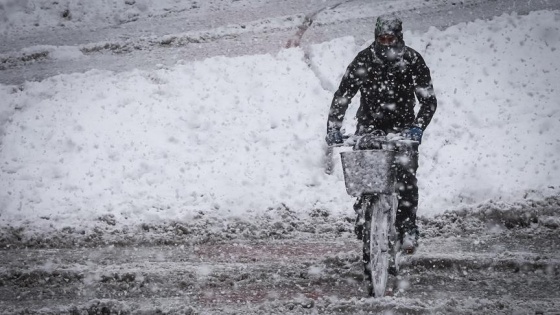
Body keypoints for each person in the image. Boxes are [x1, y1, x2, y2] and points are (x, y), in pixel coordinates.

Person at [325, 15, 437, 252]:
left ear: (399, 38)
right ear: (376, 38)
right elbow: (343, 96)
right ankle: (364, 212)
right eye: (382, 39)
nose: (386, 44)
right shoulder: (364, 59)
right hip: (369, 126)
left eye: (391, 39)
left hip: (403, 128)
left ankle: (407, 227)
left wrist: (417, 127)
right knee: (366, 175)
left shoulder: (413, 60)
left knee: (405, 176)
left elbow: (428, 102)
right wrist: (333, 128)